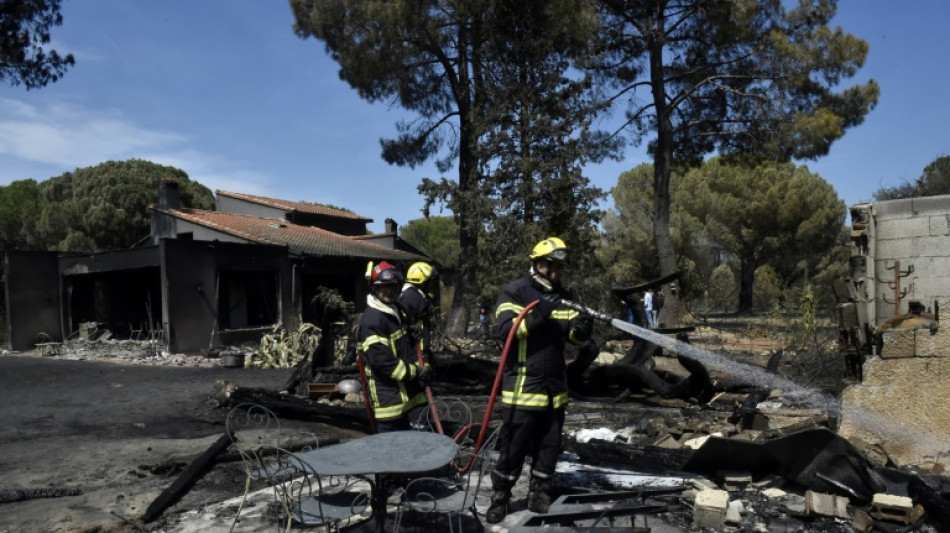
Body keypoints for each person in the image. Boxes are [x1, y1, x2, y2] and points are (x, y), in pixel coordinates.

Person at [485, 237, 594, 523]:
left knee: (549, 446)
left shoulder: (565, 296)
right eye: (556, 267)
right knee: (513, 448)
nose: (561, 273)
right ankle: (500, 499)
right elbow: (507, 332)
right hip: (523, 387)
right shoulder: (514, 292)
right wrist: (541, 311)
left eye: (562, 268)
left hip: (555, 388)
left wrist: (582, 329)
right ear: (541, 266)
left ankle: (539, 494)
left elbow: (572, 336)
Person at [358, 261, 431, 433]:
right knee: (393, 454)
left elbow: (408, 348)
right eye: (383, 287)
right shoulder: (372, 319)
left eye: (392, 286)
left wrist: (413, 336)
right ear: (374, 289)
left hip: (412, 394)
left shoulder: (398, 310)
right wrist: (416, 372)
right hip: (389, 402)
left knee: (423, 445)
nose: (388, 291)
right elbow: (383, 361)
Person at [398, 261, 438, 366]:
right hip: (416, 353)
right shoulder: (413, 297)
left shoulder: (413, 295)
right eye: (429, 281)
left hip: (418, 350)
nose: (431, 284)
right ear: (422, 282)